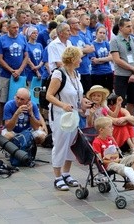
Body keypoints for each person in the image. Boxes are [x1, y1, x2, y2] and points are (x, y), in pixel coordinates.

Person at [46, 46, 92, 191]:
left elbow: (78, 96)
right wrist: (63, 104)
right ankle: (57, 176)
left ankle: (66, 173)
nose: (81, 59)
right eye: (79, 57)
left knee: (72, 143)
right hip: (60, 114)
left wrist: (85, 103)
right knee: (60, 144)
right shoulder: (59, 74)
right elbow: (49, 95)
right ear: (72, 59)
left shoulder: (76, 74)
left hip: (73, 114)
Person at [92, 116, 134, 198]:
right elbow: (101, 161)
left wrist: (113, 156)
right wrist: (112, 160)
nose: (112, 128)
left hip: (116, 161)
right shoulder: (97, 142)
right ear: (101, 130)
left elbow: (116, 154)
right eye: (110, 127)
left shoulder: (110, 139)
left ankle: (129, 181)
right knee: (128, 169)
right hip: (109, 165)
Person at [0, 19, 29, 119]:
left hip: (20, 74)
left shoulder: (22, 38)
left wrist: (19, 70)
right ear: (8, 28)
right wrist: (11, 70)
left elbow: (26, 56)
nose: (16, 29)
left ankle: (18, 121)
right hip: (6, 74)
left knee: (21, 99)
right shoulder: (1, 40)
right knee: (3, 100)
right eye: (14, 27)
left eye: (17, 27)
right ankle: (2, 123)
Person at [110, 18, 134, 115]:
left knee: (132, 101)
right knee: (120, 101)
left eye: (131, 26)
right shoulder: (115, 41)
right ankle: (121, 121)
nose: (130, 28)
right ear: (120, 27)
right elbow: (117, 59)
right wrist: (133, 69)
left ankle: (130, 121)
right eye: (128, 26)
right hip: (121, 75)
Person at [90, 26, 113, 93]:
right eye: (100, 32)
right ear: (96, 33)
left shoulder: (106, 43)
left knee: (109, 93)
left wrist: (99, 60)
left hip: (108, 71)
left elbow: (112, 57)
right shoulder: (92, 44)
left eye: (104, 33)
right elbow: (94, 61)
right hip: (97, 73)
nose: (102, 34)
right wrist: (107, 59)